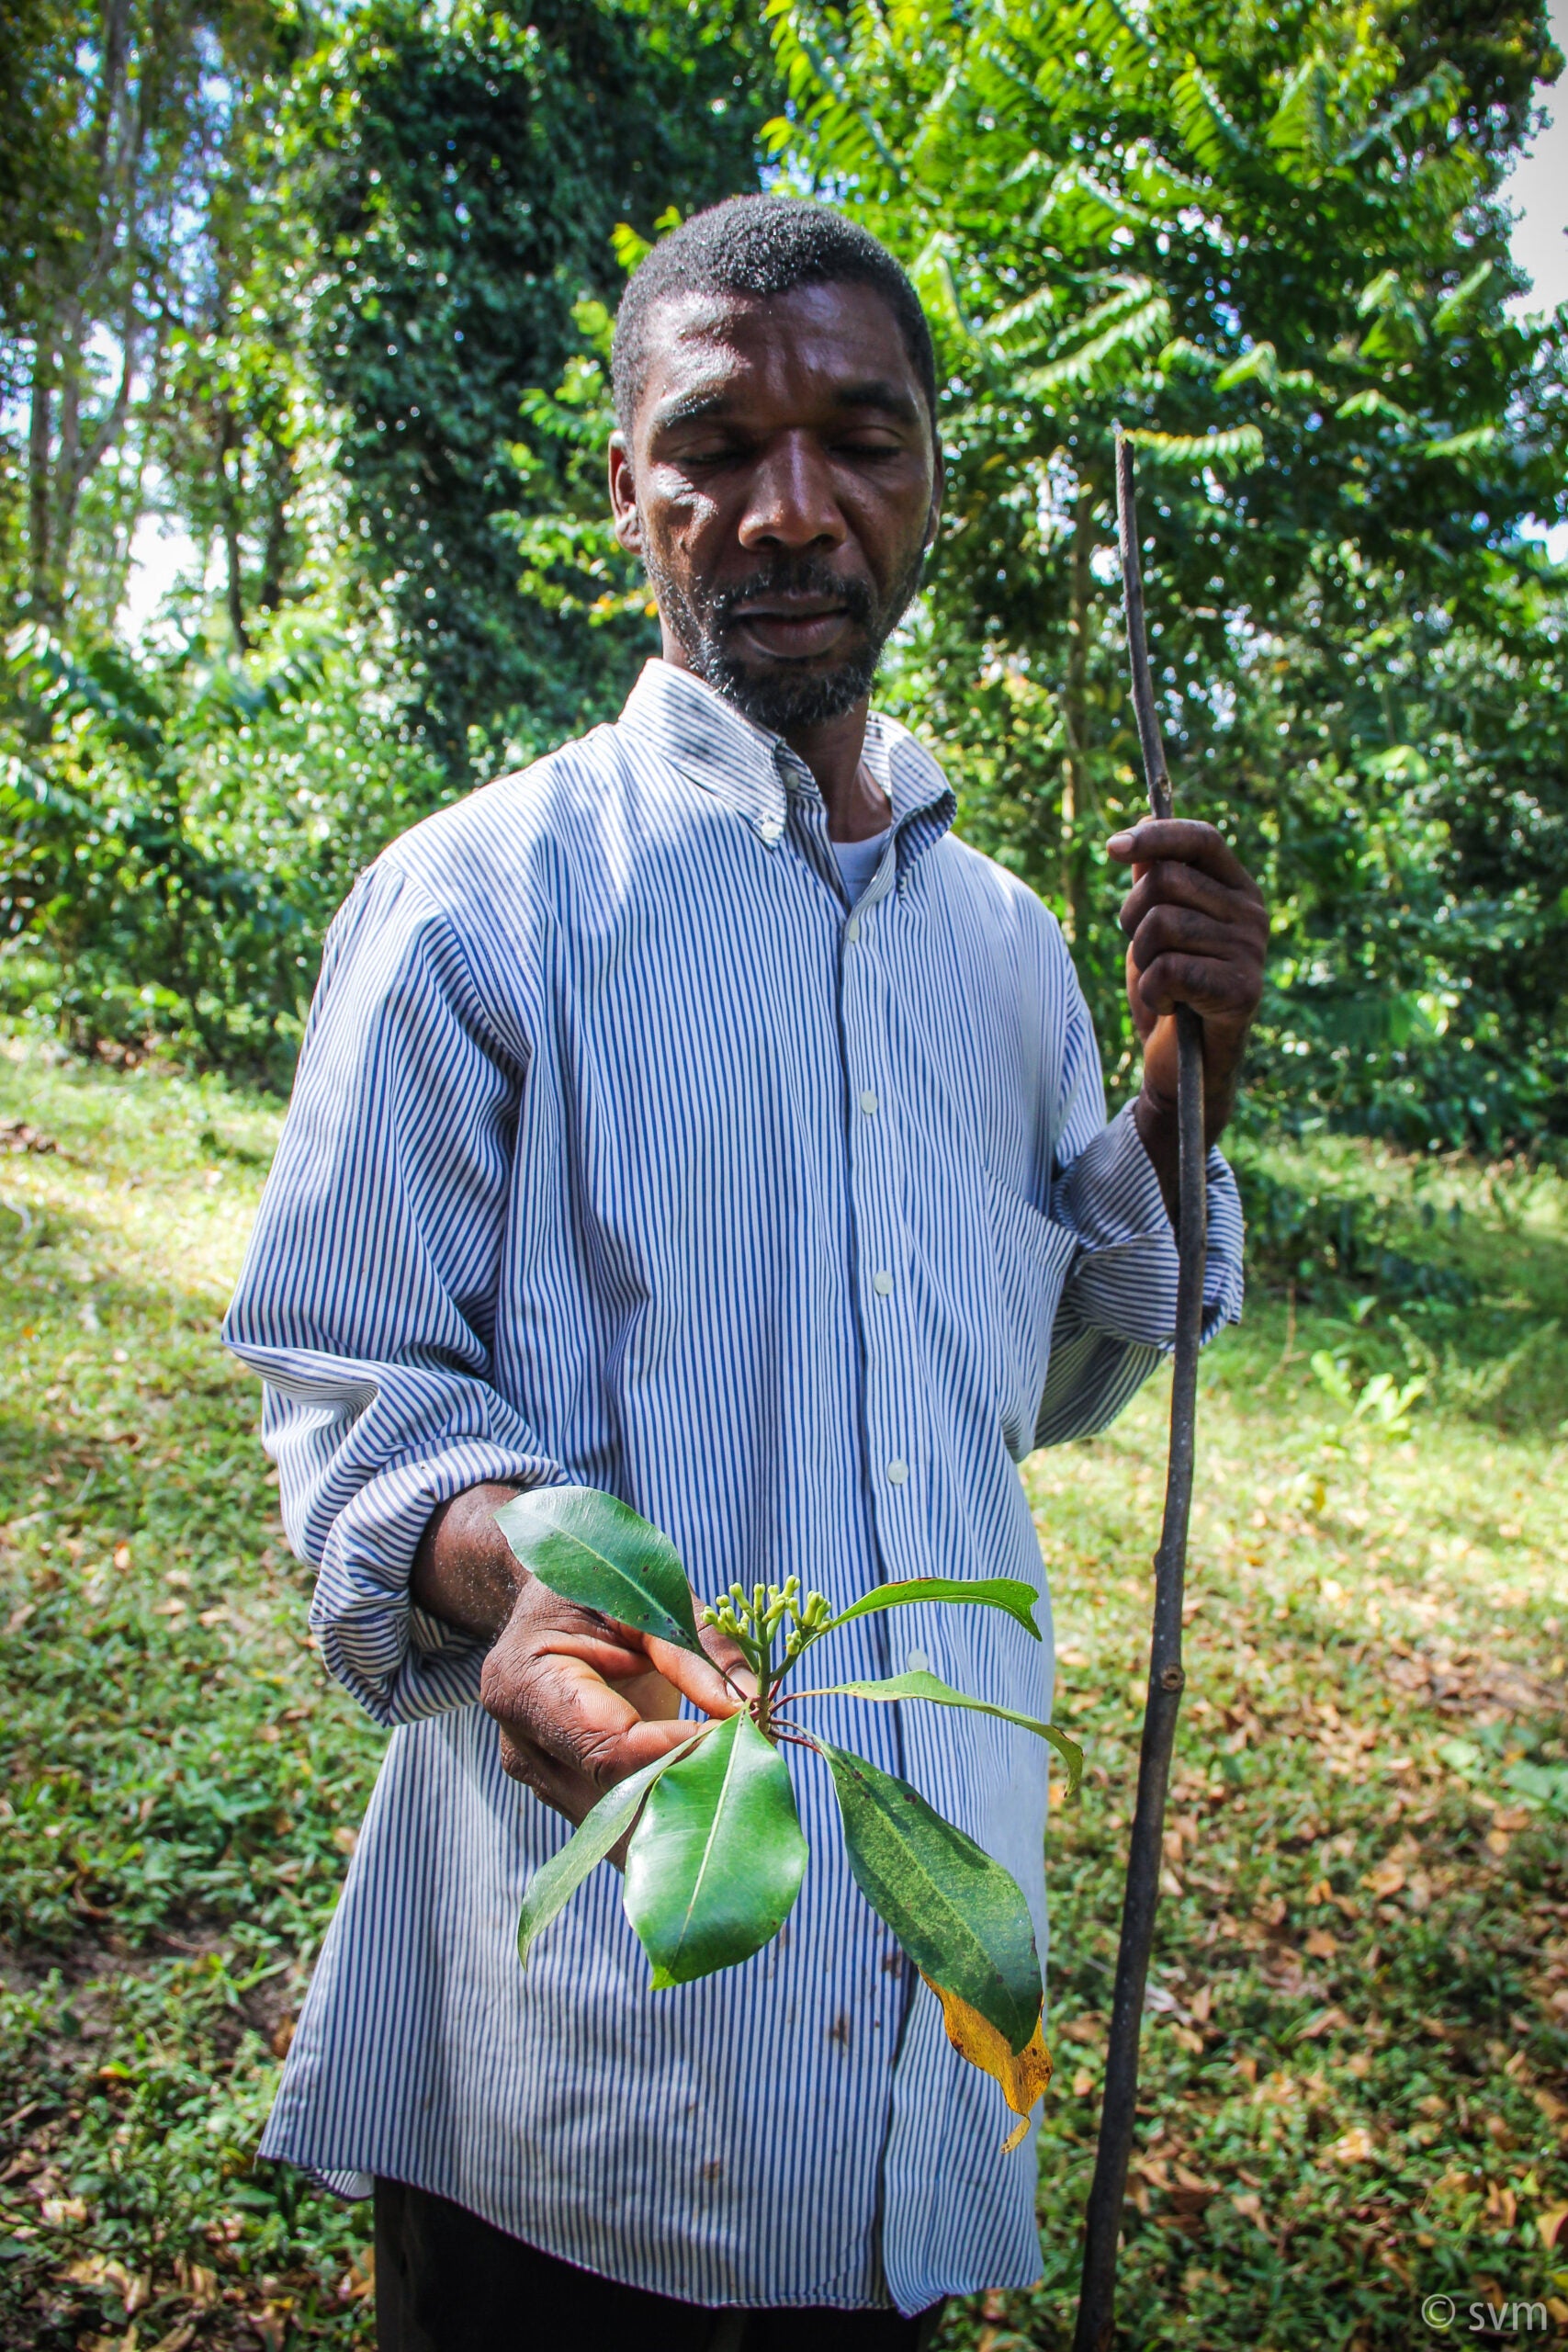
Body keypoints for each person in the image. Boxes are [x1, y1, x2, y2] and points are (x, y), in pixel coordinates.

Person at [223, 195, 1267, 2352]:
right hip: (581, 2042)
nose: (790, 509)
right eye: (715, 444)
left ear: (927, 483)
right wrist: (508, 1567)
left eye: (857, 441)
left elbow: (1051, 1388)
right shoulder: (475, 902)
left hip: (919, 1980)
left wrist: (1182, 1107)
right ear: (629, 488)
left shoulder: (1002, 951)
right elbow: (352, 1393)